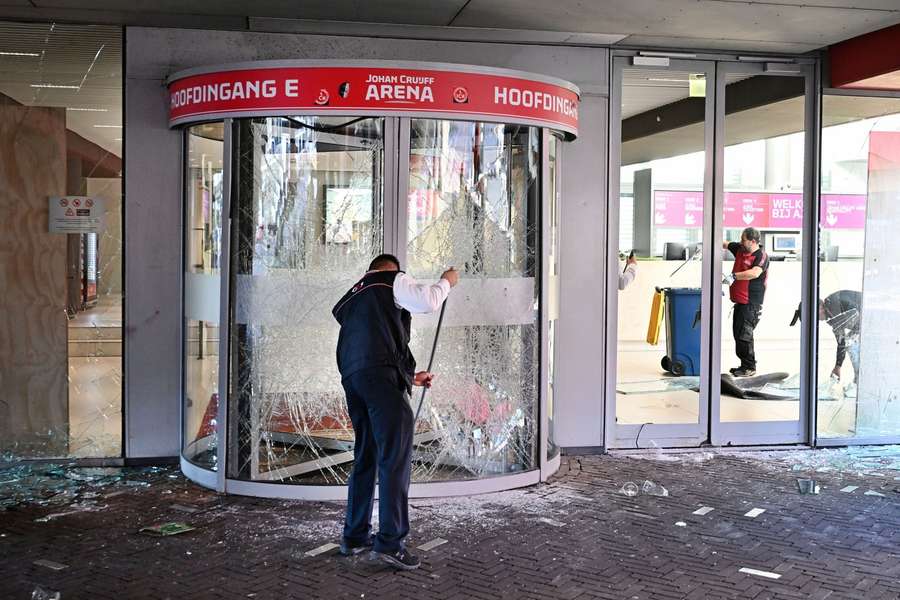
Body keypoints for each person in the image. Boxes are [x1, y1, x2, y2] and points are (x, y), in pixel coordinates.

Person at [332, 253, 458, 570]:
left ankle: (355, 535)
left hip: (354, 380)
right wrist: (447, 282)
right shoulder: (390, 280)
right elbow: (428, 300)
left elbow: (374, 344)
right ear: (391, 269)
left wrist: (409, 377)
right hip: (380, 380)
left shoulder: (353, 296)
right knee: (395, 457)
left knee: (367, 456)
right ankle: (390, 541)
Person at [722, 227, 769, 377]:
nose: (741, 242)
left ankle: (749, 367)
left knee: (744, 335)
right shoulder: (740, 249)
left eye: (744, 240)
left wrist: (734, 276)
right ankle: (744, 365)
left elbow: (755, 272)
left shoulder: (761, 255)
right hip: (740, 303)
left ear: (753, 241)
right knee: (738, 334)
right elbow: (725, 243)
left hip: (751, 304)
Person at [819, 290, 862, 397]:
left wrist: (838, 367)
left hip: (871, 316)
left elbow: (841, 341)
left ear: (820, 308)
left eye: (815, 316)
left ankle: (859, 385)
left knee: (851, 344)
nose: (818, 320)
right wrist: (838, 366)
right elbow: (842, 341)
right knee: (850, 342)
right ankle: (858, 382)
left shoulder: (833, 308)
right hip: (865, 317)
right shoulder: (831, 305)